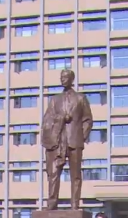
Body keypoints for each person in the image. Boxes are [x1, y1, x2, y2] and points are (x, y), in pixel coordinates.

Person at [40, 69, 94, 210]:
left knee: (75, 175)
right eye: (61, 77)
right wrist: (61, 118)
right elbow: (47, 119)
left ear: (71, 79)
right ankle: (52, 204)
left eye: (65, 77)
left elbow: (87, 120)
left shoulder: (81, 98)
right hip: (58, 141)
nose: (62, 79)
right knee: (53, 173)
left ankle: (75, 204)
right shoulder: (55, 99)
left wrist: (81, 136)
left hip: (75, 140)